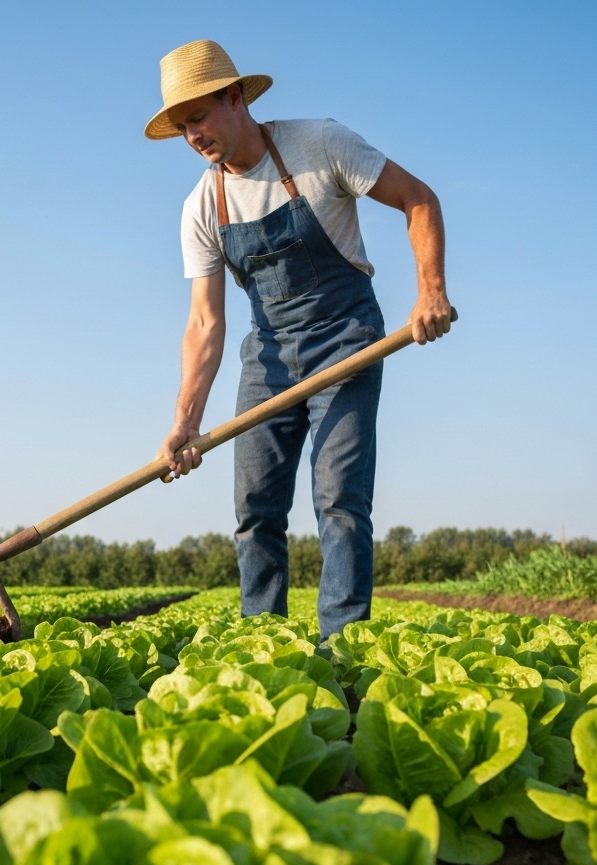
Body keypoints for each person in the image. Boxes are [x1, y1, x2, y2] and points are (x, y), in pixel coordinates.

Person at [147, 39, 452, 639]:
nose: (193, 137)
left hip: (346, 340)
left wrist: (431, 290)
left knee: (340, 501)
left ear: (235, 97)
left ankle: (343, 650)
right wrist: (186, 419)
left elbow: (418, 199)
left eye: (199, 118)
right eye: (183, 128)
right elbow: (206, 322)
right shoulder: (201, 207)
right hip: (268, 358)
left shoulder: (320, 144)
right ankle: (265, 647)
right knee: (254, 511)